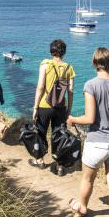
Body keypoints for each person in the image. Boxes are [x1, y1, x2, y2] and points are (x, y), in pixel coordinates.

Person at [67, 47, 109, 217]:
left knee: (87, 179)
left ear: (94, 63)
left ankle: (82, 207)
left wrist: (71, 119)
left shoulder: (91, 85)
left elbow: (89, 118)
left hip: (97, 142)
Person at [30, 39, 76, 172]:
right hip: (61, 107)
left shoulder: (45, 64)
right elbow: (71, 91)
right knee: (59, 134)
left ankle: (40, 160)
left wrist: (35, 107)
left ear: (52, 51)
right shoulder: (69, 68)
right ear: (64, 52)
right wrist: (69, 109)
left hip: (45, 105)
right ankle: (60, 165)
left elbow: (40, 87)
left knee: (40, 131)